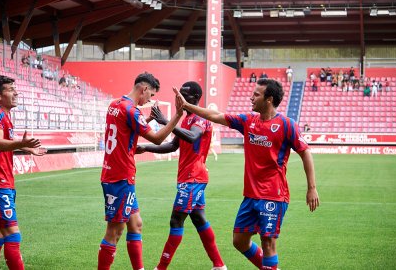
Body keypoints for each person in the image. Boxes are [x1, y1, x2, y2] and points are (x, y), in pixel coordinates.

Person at [173, 78, 320, 270]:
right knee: (239, 241)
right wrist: (187, 106)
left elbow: (305, 152)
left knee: (268, 243)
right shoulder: (248, 121)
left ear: (269, 99)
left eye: (257, 95)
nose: (251, 98)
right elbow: (216, 115)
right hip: (250, 195)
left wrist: (312, 188)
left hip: (273, 195)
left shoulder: (286, 125)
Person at [98, 72, 183, 270]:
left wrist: (147, 119)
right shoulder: (132, 112)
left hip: (114, 173)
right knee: (114, 231)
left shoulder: (115, 105)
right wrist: (178, 115)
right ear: (144, 89)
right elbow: (157, 139)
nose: (149, 100)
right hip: (120, 177)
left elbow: (126, 127)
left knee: (136, 224)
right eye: (150, 95)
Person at [137, 81, 226, 270]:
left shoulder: (201, 119)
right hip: (190, 177)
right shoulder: (186, 119)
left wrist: (164, 121)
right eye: (179, 94)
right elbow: (172, 145)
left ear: (194, 98)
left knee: (176, 220)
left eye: (183, 94)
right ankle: (219, 265)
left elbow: (193, 136)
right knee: (198, 218)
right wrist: (145, 148)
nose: (179, 98)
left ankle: (161, 268)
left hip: (193, 178)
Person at [0, 75, 47, 270]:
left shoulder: (3, 114)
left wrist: (26, 149)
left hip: (1, 181)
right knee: (12, 235)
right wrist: (22, 143)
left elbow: (0, 146)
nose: (16, 92)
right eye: (10, 89)